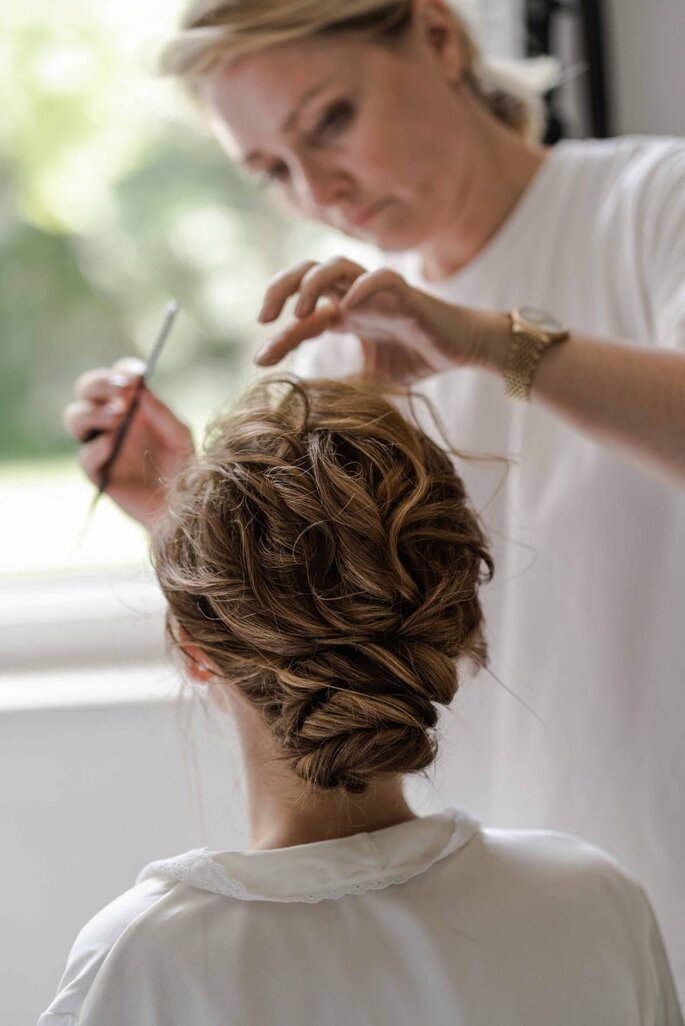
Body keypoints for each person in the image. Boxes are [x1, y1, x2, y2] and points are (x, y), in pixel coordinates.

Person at [62, 0, 685, 1000]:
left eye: (329, 122)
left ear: (439, 37)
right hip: (477, 942)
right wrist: (180, 505)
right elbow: (331, 626)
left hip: (646, 892)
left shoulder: (653, 204)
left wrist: (487, 341)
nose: (316, 190)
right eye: (270, 169)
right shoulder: (343, 329)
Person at [42, 375, 682, 1024]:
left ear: (193, 650)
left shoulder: (145, 962)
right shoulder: (592, 905)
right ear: (455, 618)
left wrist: (196, 528)